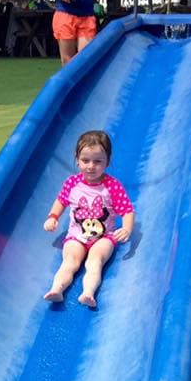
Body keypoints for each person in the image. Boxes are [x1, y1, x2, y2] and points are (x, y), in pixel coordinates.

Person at [43, 130, 134, 308]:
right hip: (76, 236)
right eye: (85, 160)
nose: (91, 166)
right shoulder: (72, 183)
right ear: (77, 159)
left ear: (108, 161)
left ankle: (88, 293)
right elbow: (60, 201)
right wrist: (53, 217)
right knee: (70, 262)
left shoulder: (112, 186)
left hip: (104, 237)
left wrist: (126, 229)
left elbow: (128, 210)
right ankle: (57, 289)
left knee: (94, 262)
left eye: (98, 161)